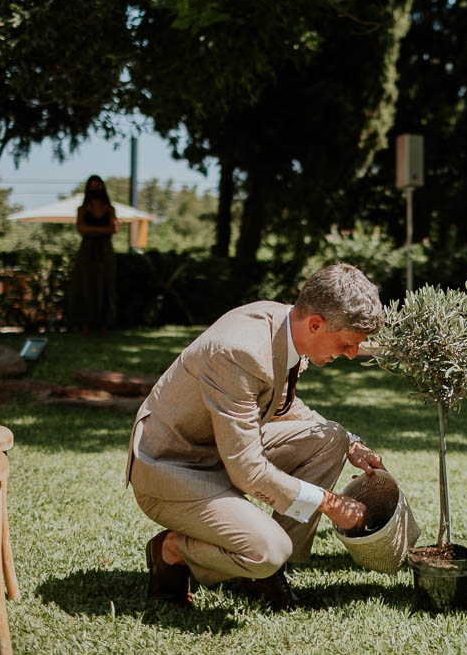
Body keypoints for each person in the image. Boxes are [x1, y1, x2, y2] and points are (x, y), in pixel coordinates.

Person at [127, 263, 387, 611]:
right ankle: (173, 551)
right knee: (268, 550)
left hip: (218, 451)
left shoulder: (285, 324)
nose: (352, 353)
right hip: (173, 469)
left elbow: (281, 403)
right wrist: (330, 504)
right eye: (347, 344)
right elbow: (247, 470)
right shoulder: (240, 352)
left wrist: (351, 443)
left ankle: (261, 577)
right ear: (316, 325)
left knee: (331, 438)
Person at [66, 175, 117, 334]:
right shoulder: (82, 209)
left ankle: (104, 324)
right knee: (85, 285)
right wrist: (99, 231)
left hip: (105, 252)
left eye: (98, 185)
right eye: (92, 185)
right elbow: (81, 229)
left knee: (105, 285)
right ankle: (84, 324)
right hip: (87, 251)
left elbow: (113, 228)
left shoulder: (109, 209)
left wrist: (92, 230)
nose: (95, 188)